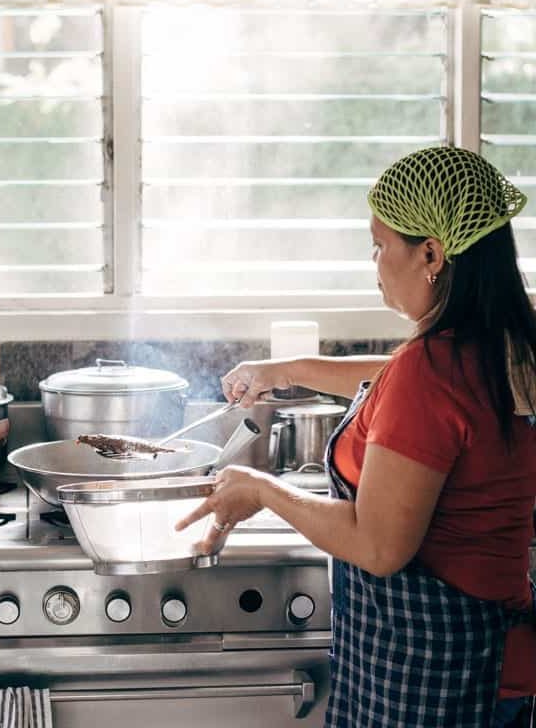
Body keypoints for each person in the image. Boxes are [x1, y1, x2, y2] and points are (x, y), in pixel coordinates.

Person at [177, 146, 536, 728]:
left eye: (379, 244)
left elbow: (378, 548)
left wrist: (262, 490)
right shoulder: (500, 343)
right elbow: (395, 376)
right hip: (496, 665)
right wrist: (286, 369)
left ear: (431, 253)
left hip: (436, 679)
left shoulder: (432, 369)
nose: (374, 262)